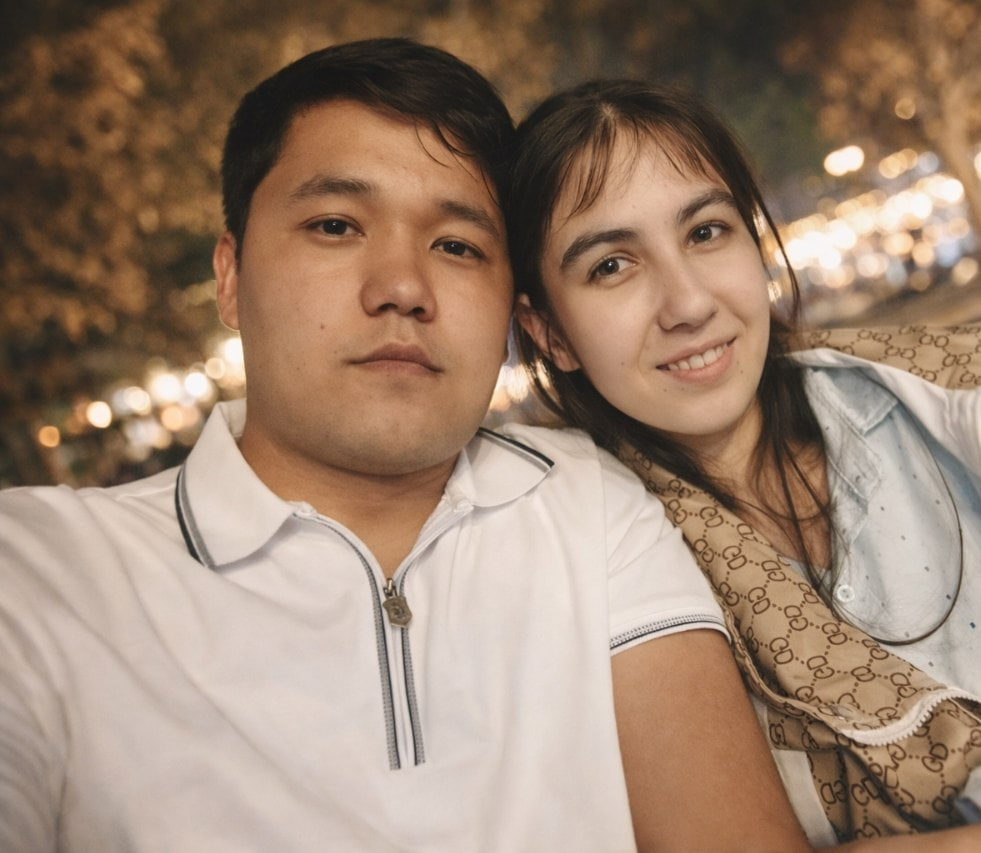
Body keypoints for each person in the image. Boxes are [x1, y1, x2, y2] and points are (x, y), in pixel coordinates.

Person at [0, 40, 818, 852]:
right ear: (230, 276)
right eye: (335, 225)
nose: (401, 287)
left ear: (512, 310)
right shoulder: (45, 574)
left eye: (456, 245)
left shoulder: (590, 503)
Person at [509, 79, 981, 846]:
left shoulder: (938, 399)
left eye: (705, 232)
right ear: (549, 333)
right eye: (611, 265)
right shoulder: (607, 581)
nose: (688, 303)